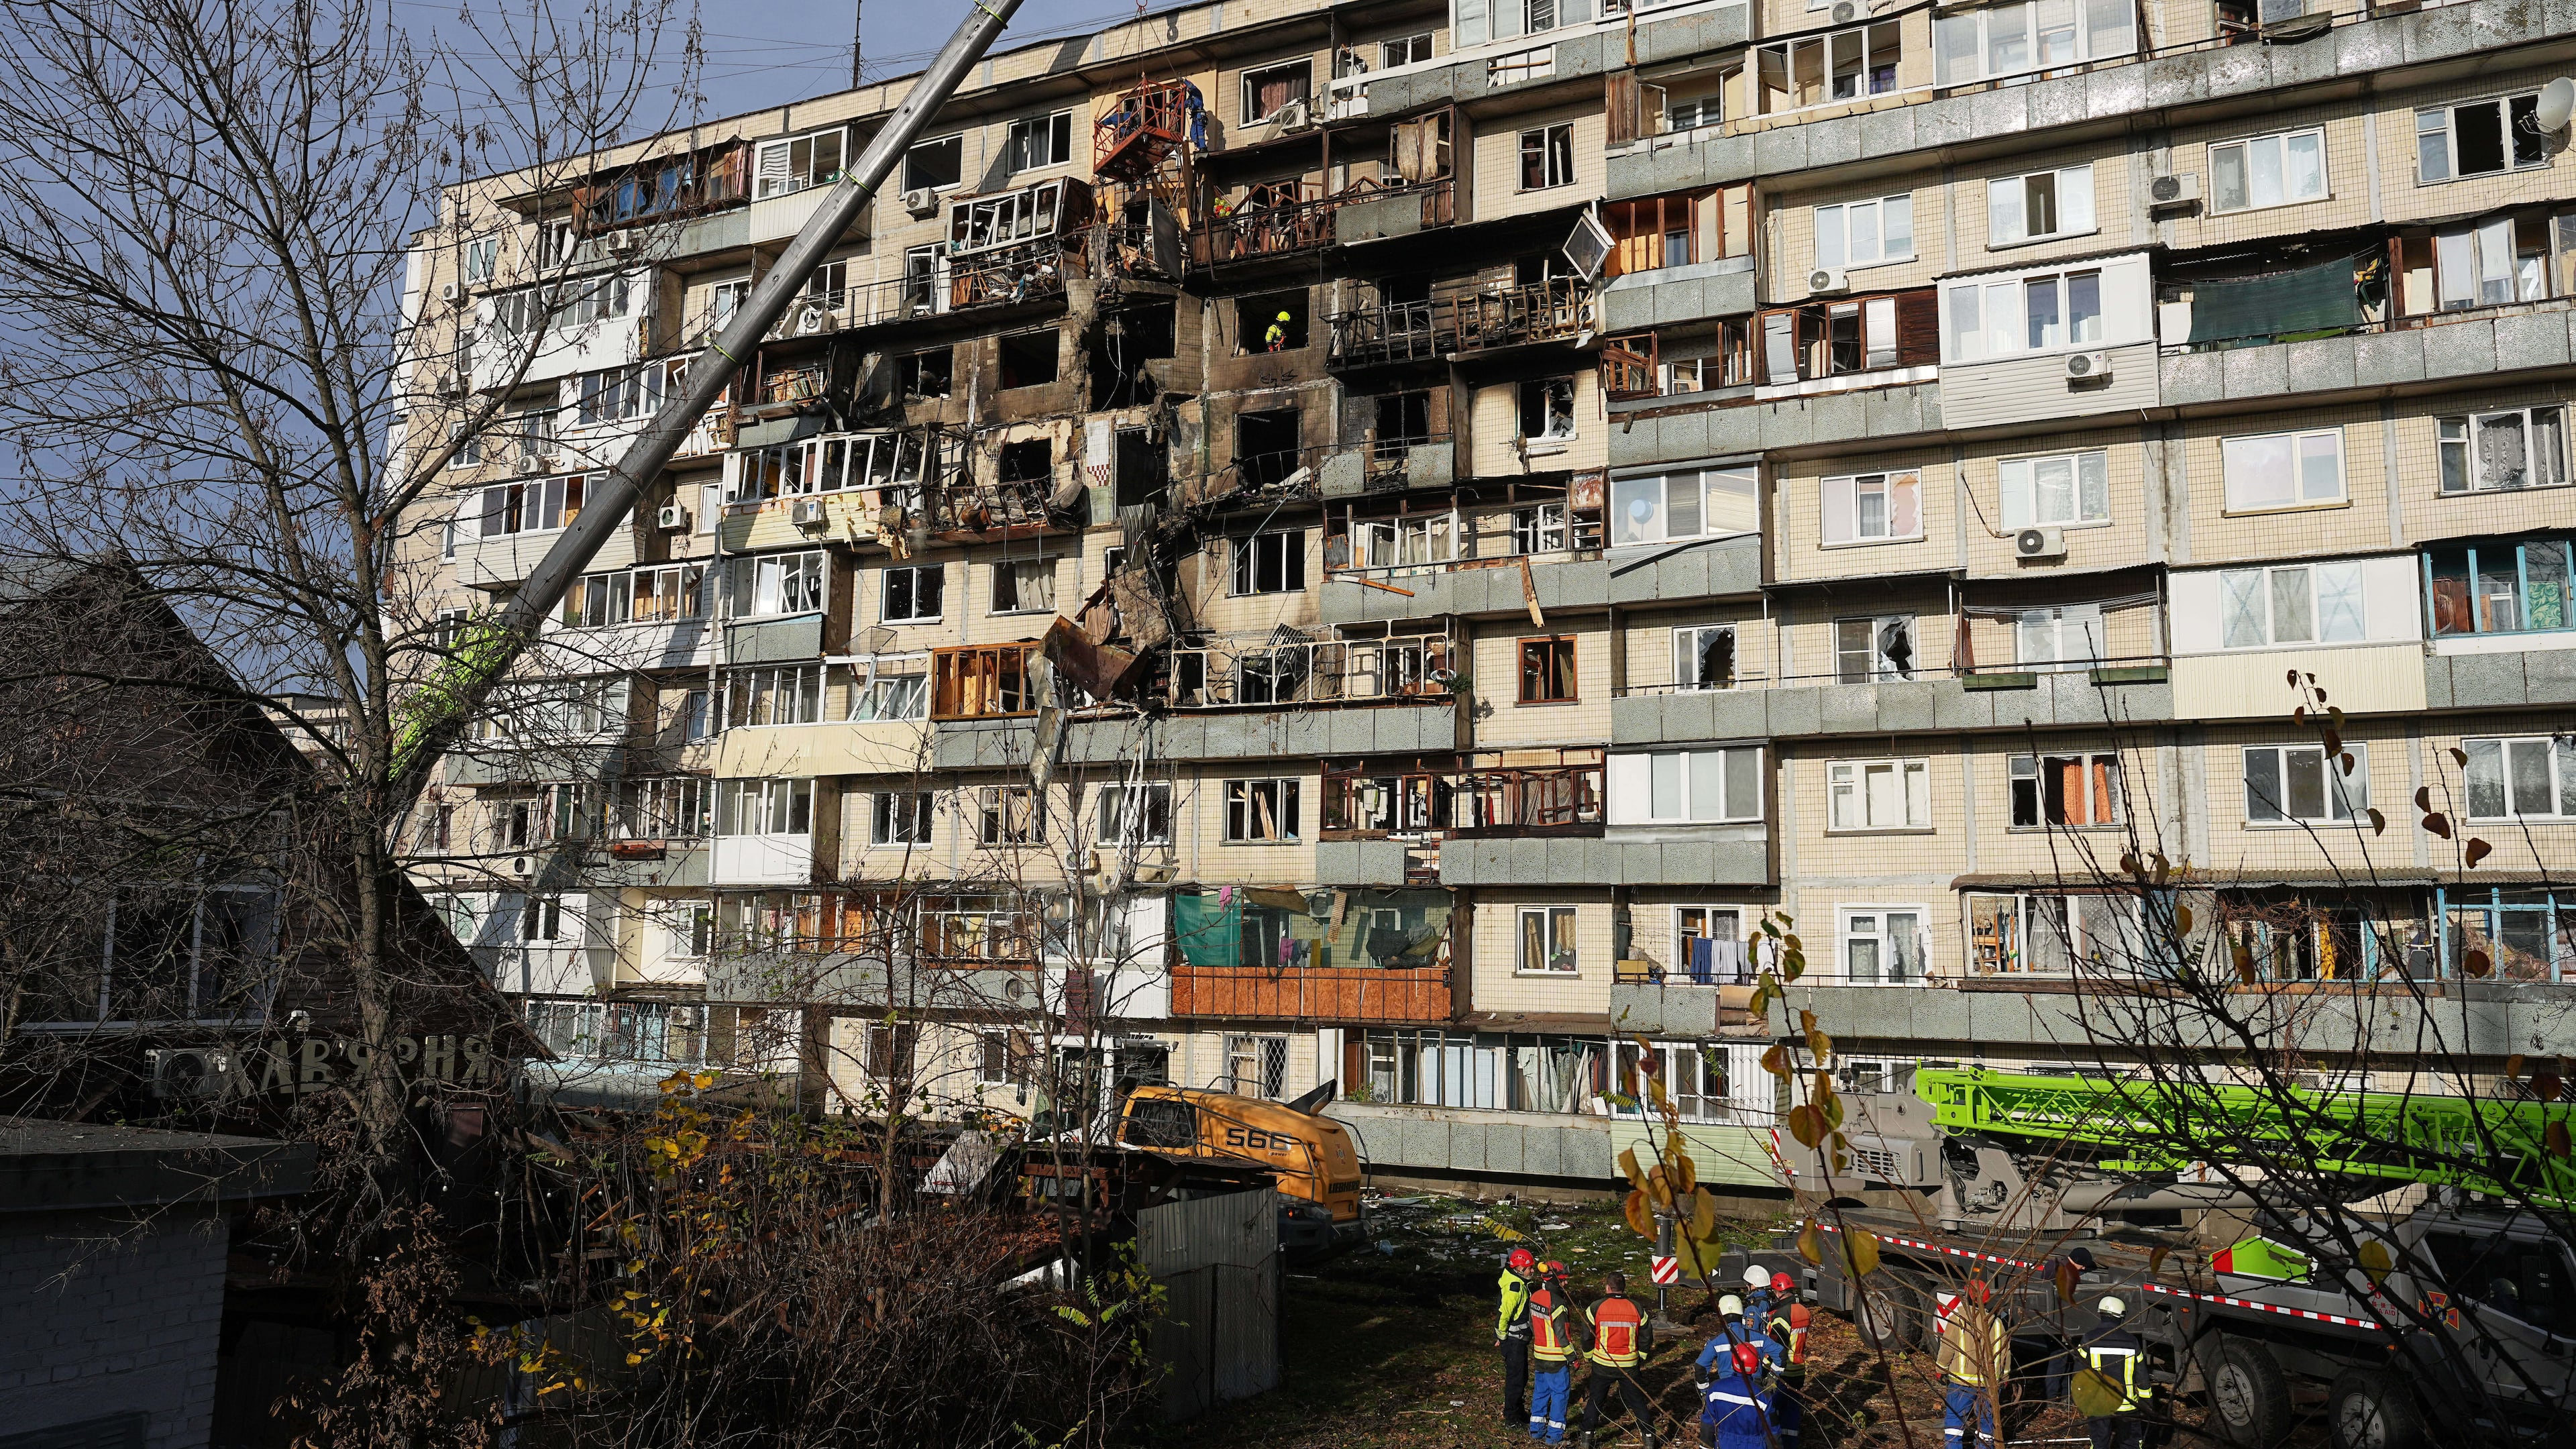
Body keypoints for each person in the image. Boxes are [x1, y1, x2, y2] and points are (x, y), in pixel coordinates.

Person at [1580, 1271, 1658, 1449]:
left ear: (1608, 1287)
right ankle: (1648, 1438)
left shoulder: (1596, 1307)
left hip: (1602, 1363)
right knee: (1638, 1402)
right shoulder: (1636, 1307)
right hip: (1629, 1364)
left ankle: (1586, 1438)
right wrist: (1642, 1356)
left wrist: (1588, 1354)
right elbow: (1647, 1334)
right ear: (1624, 1288)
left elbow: (1586, 1335)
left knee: (1596, 1401)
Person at [1935, 1278, 2009, 1449]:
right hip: (1989, 1385)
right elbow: (2006, 1353)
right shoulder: (1997, 1323)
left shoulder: (1959, 1319)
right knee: (1986, 1425)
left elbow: (1948, 1347)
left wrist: (1941, 1369)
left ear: (1967, 1296)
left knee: (1955, 1424)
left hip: (1962, 1384)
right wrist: (2004, 1376)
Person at [2073, 1295, 2148, 1449]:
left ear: (2100, 1314)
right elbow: (2143, 1378)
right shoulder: (2132, 1342)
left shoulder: (2088, 1339)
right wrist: (2147, 1405)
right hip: (2127, 1406)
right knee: (2131, 1444)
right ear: (2121, 1317)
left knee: (2099, 1443)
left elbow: (2078, 1374)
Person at [1527, 1260, 1578, 1444]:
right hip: (1557, 1359)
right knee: (1560, 1394)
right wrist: (1573, 1357)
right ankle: (1554, 1436)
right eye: (1563, 1280)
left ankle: (1536, 1430)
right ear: (1555, 1281)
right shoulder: (1558, 1303)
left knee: (1540, 1393)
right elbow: (1562, 1336)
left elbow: (1532, 1325)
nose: (1566, 1284)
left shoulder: (1535, 1297)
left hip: (1539, 1355)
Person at [1764, 1275, 1809, 1449]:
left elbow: (1776, 1346)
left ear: (1777, 1292)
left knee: (1772, 1409)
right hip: (1800, 1368)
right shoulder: (1803, 1310)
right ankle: (1791, 1444)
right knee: (1792, 1409)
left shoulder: (1782, 1315)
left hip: (1785, 1370)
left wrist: (1765, 1367)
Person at [1700, 1342, 1772, 1449]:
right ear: (1756, 1366)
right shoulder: (1763, 1397)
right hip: (1755, 1445)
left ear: (1733, 1362)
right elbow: (1772, 1431)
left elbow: (1708, 1423)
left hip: (1724, 1444)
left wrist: (1704, 1447)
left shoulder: (1715, 1390)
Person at [1499, 1246, 1540, 1428]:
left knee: (1521, 1378)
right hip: (1514, 1342)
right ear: (1519, 1269)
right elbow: (1504, 1314)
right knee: (1516, 1379)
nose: (1533, 1270)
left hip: (1518, 1341)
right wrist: (1502, 1337)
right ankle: (1512, 1418)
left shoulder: (1518, 1282)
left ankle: (1518, 1411)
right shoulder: (1515, 1288)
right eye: (1530, 1267)